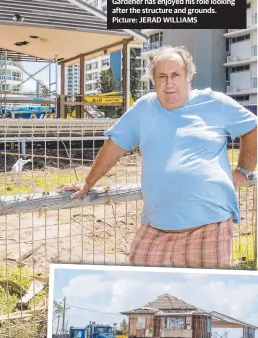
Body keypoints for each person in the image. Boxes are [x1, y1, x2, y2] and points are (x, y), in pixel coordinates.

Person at [59, 45, 257, 269]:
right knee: (142, 294)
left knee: (203, 300)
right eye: (161, 76)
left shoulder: (216, 103)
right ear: (153, 80)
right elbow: (114, 146)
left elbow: (251, 128)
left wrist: (243, 171)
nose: (168, 83)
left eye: (175, 75)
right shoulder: (144, 108)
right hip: (156, 227)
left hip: (210, 227)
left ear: (188, 77)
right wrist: (88, 182)